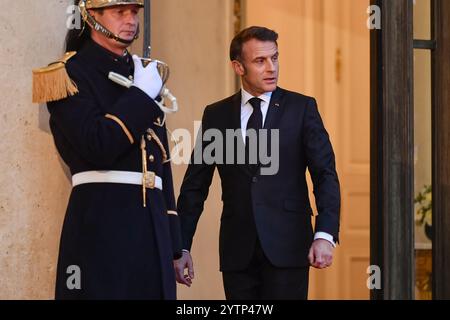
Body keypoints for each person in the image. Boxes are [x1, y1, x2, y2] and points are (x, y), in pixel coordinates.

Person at [175, 26, 340, 300]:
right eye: (260, 61)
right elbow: (195, 186)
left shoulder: (302, 109)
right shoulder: (217, 115)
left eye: (274, 58)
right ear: (238, 67)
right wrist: (180, 247)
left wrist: (325, 233)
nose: (271, 67)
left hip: (288, 248)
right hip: (237, 253)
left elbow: (325, 174)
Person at [33, 0, 182, 299]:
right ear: (91, 16)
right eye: (119, 12)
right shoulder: (69, 74)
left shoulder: (142, 72)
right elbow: (98, 145)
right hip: (102, 222)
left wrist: (176, 245)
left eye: (134, 12)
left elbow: (160, 165)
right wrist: (141, 96)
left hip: (152, 228)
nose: (130, 20)